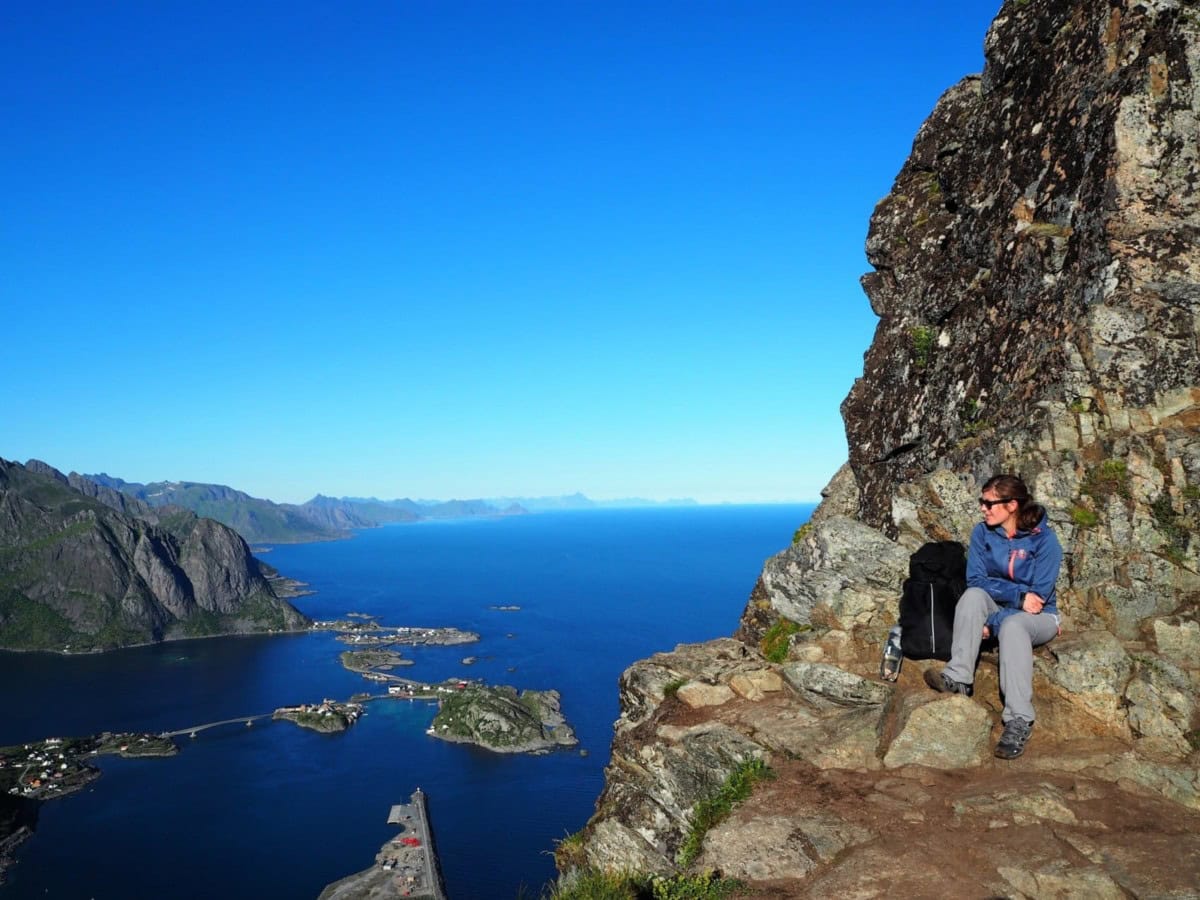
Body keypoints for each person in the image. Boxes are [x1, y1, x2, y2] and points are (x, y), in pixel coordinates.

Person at [923, 474, 1062, 759]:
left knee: (1012, 625)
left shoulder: (1045, 541)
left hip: (1041, 618)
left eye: (988, 503)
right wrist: (1015, 597)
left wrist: (992, 623)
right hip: (1007, 606)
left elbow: (1038, 599)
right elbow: (976, 581)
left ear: (1011, 505)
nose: (982, 508)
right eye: (981, 502)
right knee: (973, 597)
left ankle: (1018, 719)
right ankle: (958, 677)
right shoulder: (982, 533)